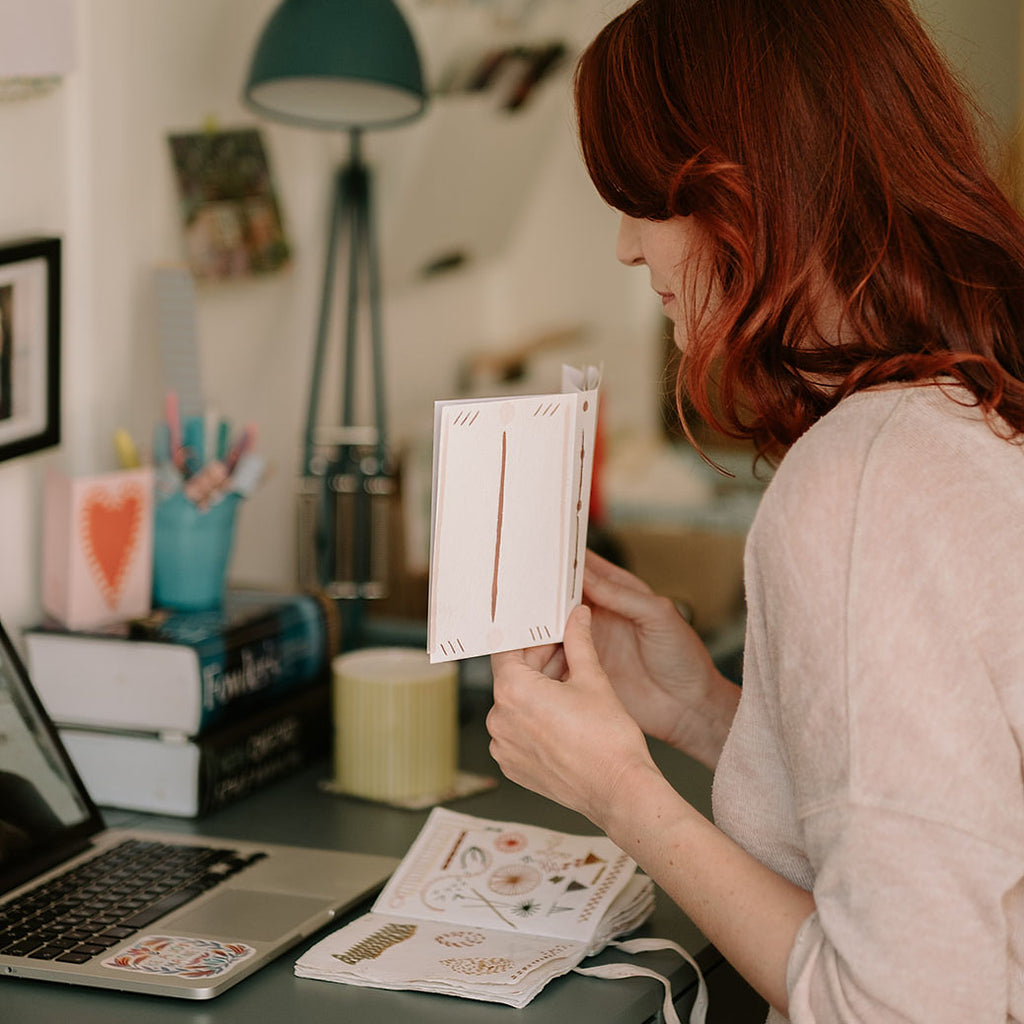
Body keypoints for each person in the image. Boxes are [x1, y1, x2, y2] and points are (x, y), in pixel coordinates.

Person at [485, 1, 1024, 1021]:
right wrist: (703, 709)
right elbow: (963, 806)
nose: (626, 248)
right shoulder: (962, 411)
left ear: (740, 194)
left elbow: (902, 1006)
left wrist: (621, 793)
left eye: (642, 199)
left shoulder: (867, 481)